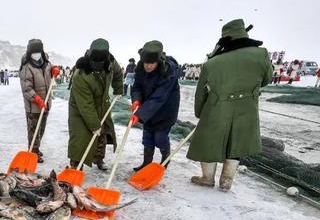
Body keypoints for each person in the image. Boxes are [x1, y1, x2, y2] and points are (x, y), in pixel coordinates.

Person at [188, 19, 272, 191]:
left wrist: (200, 112)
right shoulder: (261, 54)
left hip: (217, 106)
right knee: (237, 142)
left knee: (209, 141)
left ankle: (207, 178)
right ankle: (227, 181)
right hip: (247, 107)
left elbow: (201, 93)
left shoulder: (212, 63)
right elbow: (267, 79)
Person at [68, 39, 123, 170]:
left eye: (101, 63)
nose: (97, 66)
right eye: (95, 63)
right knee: (80, 136)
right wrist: (94, 125)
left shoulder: (110, 62)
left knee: (102, 134)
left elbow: (118, 73)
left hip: (102, 104)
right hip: (79, 107)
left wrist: (118, 89)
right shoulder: (80, 74)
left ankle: (99, 159)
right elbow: (86, 105)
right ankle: (76, 165)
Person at [130, 41, 180, 171]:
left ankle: (165, 160)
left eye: (151, 63)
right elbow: (137, 87)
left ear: (158, 61)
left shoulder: (169, 71)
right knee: (147, 136)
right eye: (146, 63)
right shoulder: (141, 68)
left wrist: (140, 114)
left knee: (160, 137)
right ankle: (146, 163)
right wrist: (136, 100)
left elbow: (159, 97)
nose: (148, 66)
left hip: (165, 110)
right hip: (148, 109)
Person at [19, 38, 59, 163]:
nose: (36, 55)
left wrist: (54, 71)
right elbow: (26, 89)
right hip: (34, 106)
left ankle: (36, 148)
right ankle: (33, 152)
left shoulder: (46, 62)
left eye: (38, 52)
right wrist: (36, 99)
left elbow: (51, 71)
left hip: (46, 103)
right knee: (33, 130)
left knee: (41, 129)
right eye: (33, 52)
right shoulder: (26, 67)